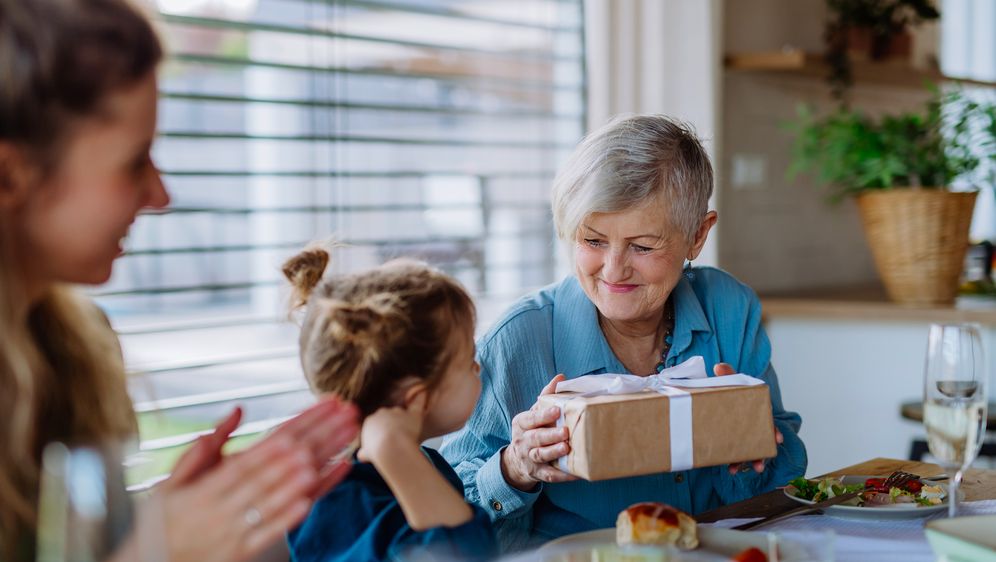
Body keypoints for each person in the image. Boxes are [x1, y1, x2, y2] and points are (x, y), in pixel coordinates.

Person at [0, 0, 359, 560]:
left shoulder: (73, 348)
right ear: (9, 176)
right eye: (134, 161)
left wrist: (183, 518)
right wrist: (159, 548)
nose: (161, 195)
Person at [441, 114, 808, 551]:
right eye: (593, 241)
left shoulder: (729, 309)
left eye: (642, 246)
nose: (614, 270)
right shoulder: (518, 340)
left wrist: (752, 444)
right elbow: (442, 522)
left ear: (697, 235)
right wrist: (514, 468)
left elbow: (785, 480)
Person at [282, 248, 497, 562]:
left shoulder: (423, 461)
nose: (478, 368)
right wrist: (393, 450)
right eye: (468, 361)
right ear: (416, 398)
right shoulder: (339, 503)